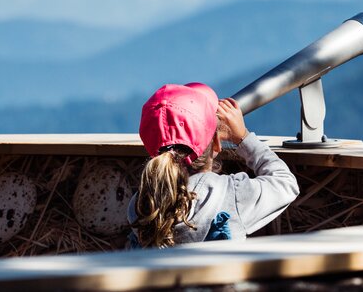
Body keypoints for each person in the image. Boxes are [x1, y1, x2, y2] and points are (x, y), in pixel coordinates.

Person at [127, 82, 300, 248]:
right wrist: (243, 138)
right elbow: (286, 184)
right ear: (217, 143)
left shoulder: (140, 204)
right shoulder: (231, 194)